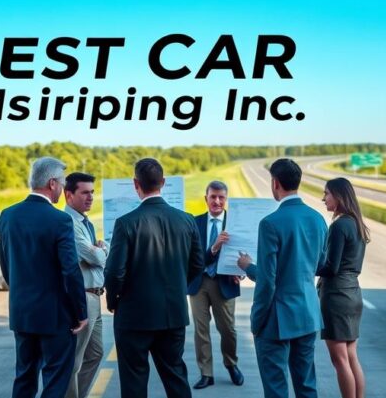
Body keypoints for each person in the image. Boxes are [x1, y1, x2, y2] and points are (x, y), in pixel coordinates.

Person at [104, 158, 204, 398]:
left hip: (133, 315)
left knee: (134, 382)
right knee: (176, 378)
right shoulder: (187, 220)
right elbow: (197, 264)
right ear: (163, 182)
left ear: (135, 184)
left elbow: (114, 272)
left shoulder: (126, 223)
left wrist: (113, 301)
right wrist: (178, 287)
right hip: (173, 313)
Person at [0, 157, 89, 398]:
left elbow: (7, 266)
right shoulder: (60, 220)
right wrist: (81, 312)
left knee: (24, 377)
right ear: (52, 183)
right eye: (61, 183)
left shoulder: (7, 216)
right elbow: (70, 270)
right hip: (55, 316)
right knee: (55, 380)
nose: (62, 188)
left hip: (22, 314)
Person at [237, 158, 327, 398]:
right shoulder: (318, 219)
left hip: (277, 319)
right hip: (308, 314)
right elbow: (320, 265)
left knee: (276, 388)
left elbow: (268, 280)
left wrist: (256, 320)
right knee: (307, 386)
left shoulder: (270, 223)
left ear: (275, 183)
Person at [187, 180, 244, 389]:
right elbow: (192, 258)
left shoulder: (235, 223)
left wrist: (241, 272)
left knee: (228, 329)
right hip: (199, 282)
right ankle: (206, 373)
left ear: (226, 199)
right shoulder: (195, 222)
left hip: (225, 282)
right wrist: (214, 247)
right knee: (201, 330)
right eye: (213, 197)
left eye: (221, 197)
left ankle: (231, 363)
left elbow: (246, 252)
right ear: (206, 198)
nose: (217, 201)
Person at [317, 178, 369, 398]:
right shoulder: (356, 223)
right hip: (353, 293)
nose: (323, 198)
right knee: (351, 356)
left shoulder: (339, 226)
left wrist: (307, 264)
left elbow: (331, 268)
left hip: (336, 296)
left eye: (326, 194)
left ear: (338, 196)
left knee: (339, 359)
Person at [63, 172, 107, 398]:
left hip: (96, 297)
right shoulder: (69, 223)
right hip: (83, 297)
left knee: (96, 353)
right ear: (68, 195)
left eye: (92, 192)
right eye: (84, 193)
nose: (90, 197)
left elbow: (95, 257)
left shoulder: (84, 222)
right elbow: (95, 257)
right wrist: (104, 249)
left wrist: (99, 251)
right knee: (74, 361)